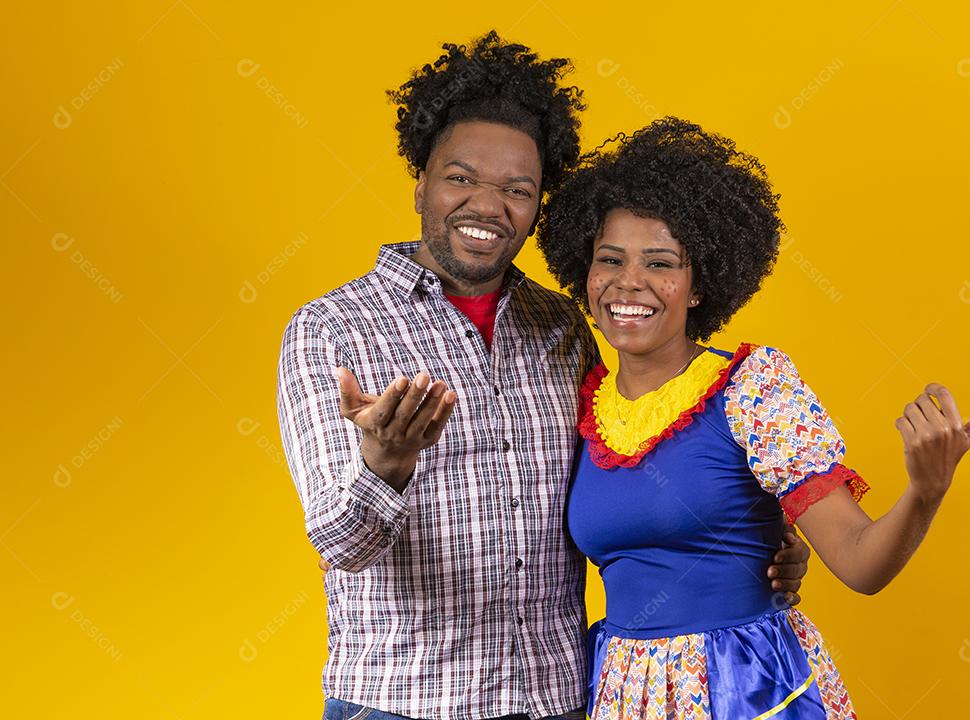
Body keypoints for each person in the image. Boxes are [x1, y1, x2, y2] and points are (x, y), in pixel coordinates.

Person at [276, 36, 811, 720]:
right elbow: (339, 544)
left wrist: (751, 549)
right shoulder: (333, 329)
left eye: (517, 189)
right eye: (460, 178)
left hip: (560, 698)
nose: (487, 205)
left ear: (539, 207)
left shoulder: (566, 327)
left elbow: (630, 489)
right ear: (421, 182)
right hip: (403, 704)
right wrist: (384, 465)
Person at [537, 118, 970, 719]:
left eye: (661, 263)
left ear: (698, 284)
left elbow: (861, 563)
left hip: (746, 685)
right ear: (586, 271)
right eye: (611, 259)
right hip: (624, 690)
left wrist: (926, 490)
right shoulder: (579, 400)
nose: (631, 282)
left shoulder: (753, 386)